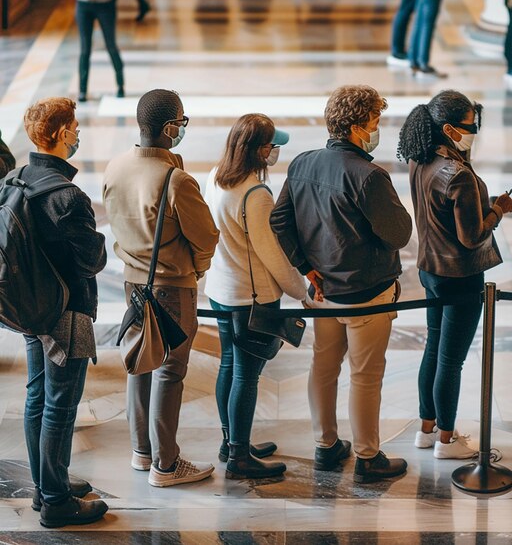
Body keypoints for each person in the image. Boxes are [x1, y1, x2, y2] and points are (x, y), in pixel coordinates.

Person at [270, 85, 412, 483]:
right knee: (365, 375)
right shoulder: (369, 175)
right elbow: (399, 234)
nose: (377, 129)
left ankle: (326, 445)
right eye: (374, 123)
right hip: (367, 296)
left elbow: (279, 222)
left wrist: (304, 266)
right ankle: (368, 456)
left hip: (322, 292)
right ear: (354, 127)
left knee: (324, 366)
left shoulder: (301, 164)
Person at [102, 89, 220, 487]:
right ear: (170, 128)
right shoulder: (176, 180)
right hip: (173, 288)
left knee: (140, 361)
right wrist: (197, 270)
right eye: (182, 123)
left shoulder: (115, 168)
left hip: (133, 284)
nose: (183, 129)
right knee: (171, 371)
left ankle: (142, 451)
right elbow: (205, 238)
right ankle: (166, 465)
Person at [396, 89, 512, 459]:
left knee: (434, 348)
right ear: (448, 128)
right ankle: (447, 441)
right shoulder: (457, 175)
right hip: (460, 275)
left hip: (431, 267)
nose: (474, 131)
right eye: (469, 126)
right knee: (452, 359)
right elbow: (472, 236)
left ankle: (427, 429)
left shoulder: (421, 158)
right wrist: (497, 209)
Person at [21, 97, 108, 527]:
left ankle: (45, 483)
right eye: (73, 127)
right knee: (60, 405)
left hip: (30, 307)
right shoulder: (68, 196)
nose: (77, 134)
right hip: (67, 312)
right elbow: (92, 260)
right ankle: (55, 502)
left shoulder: (18, 178)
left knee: (38, 397)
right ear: (59, 134)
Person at [204, 114, 306, 479]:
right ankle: (239, 458)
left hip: (221, 290)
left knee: (229, 366)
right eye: (271, 146)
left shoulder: (215, 176)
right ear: (258, 150)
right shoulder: (255, 194)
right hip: (251, 297)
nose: (274, 152)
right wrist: (301, 291)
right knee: (247, 376)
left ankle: (232, 440)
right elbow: (271, 254)